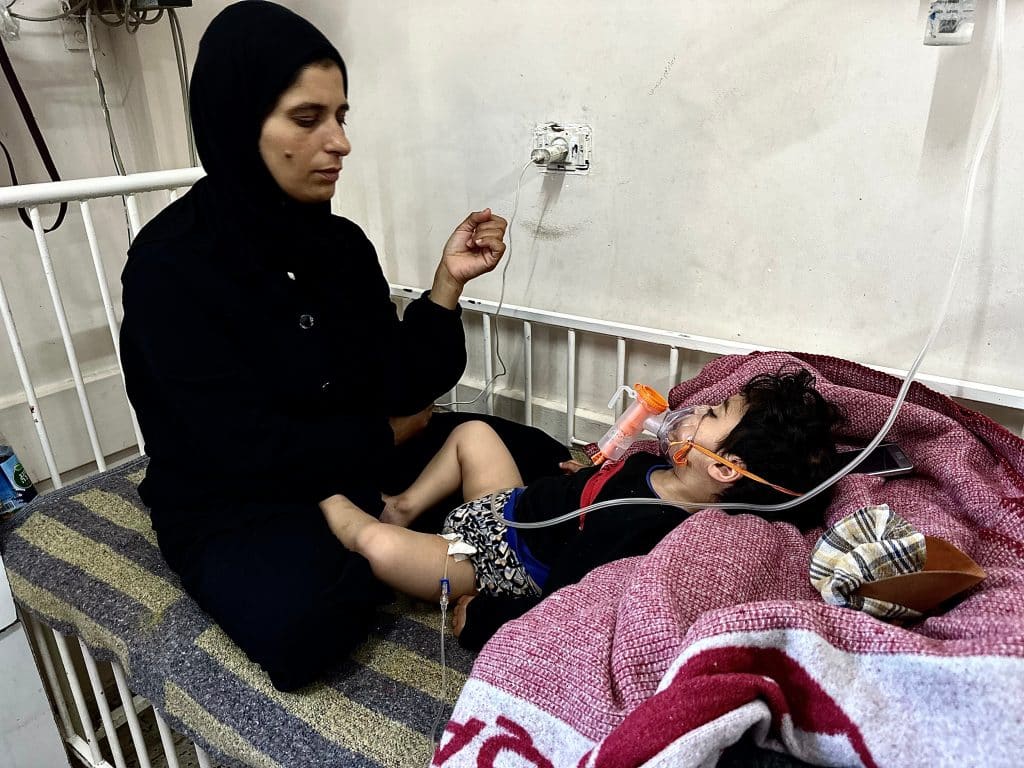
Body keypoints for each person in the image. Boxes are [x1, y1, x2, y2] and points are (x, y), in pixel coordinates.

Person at [119, 1, 511, 691]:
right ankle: (414, 539)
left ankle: (405, 531)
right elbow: (237, 448)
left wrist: (446, 284)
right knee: (305, 625)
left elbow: (402, 382)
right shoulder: (168, 266)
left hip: (352, 453)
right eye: (309, 119)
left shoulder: (340, 245)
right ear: (240, 124)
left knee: (535, 457)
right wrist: (384, 440)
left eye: (341, 117)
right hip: (236, 495)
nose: (340, 143)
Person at [320, 367, 846, 650]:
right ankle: (405, 505)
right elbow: (604, 486)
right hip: (515, 505)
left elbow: (563, 601)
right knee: (474, 432)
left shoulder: (647, 528)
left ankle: (320, 493)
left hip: (493, 561)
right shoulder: (655, 469)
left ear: (724, 467)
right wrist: (586, 480)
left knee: (377, 546)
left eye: (711, 414)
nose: (693, 411)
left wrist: (481, 617)